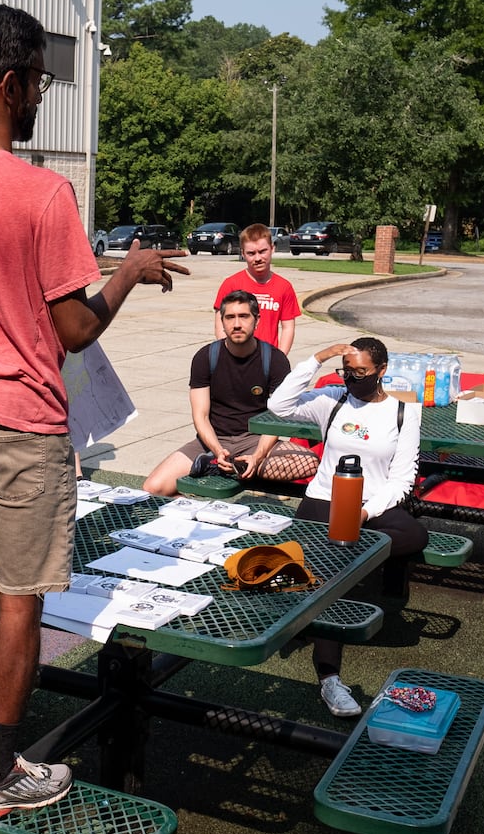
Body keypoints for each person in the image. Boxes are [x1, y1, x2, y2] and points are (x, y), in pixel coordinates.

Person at [0, 5, 189, 819]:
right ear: (8, 83)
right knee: (21, 598)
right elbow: (75, 328)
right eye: (39, 82)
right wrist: (128, 272)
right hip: (21, 420)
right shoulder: (41, 191)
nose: (41, 98)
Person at [267, 336, 426, 717]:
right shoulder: (334, 399)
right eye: (347, 371)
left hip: (368, 507)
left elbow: (402, 481)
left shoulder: (403, 413)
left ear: (382, 370)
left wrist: (365, 515)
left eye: (361, 372)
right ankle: (330, 681)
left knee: (415, 535)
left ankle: (339, 562)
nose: (352, 379)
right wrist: (318, 359)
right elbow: (278, 404)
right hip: (324, 500)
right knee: (333, 579)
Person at [142, 290, 319, 496]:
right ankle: (214, 469)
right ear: (222, 321)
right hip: (212, 442)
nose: (236, 324)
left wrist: (258, 456)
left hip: (255, 440)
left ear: (257, 320)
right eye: (230, 317)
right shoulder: (205, 357)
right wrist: (217, 451)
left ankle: (236, 467)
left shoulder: (275, 360)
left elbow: (277, 419)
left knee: (309, 463)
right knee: (153, 488)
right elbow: (201, 416)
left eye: (243, 316)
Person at [215, 223, 301, 353]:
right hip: (235, 357)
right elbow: (220, 323)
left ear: (272, 249)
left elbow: (288, 327)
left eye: (262, 251)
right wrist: (226, 355)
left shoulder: (284, 287)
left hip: (268, 358)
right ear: (243, 254)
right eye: (251, 253)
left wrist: (280, 359)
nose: (258, 258)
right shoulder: (231, 284)